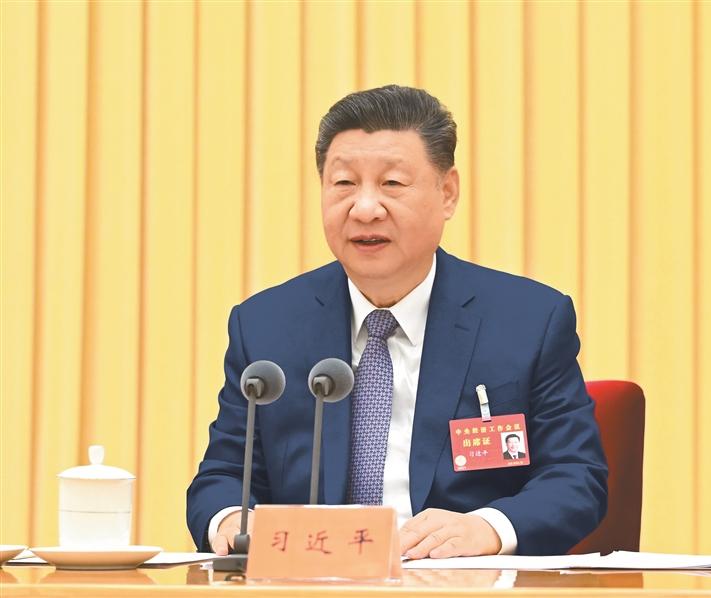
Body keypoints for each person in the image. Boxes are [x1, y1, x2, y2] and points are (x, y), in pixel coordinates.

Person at [186, 85, 607, 558]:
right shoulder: (266, 325)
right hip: (312, 579)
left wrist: (486, 528)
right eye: (343, 183)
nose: (365, 208)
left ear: (447, 193)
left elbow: (576, 478)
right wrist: (232, 520)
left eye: (392, 183)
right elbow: (224, 476)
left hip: (460, 581)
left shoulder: (527, 321)